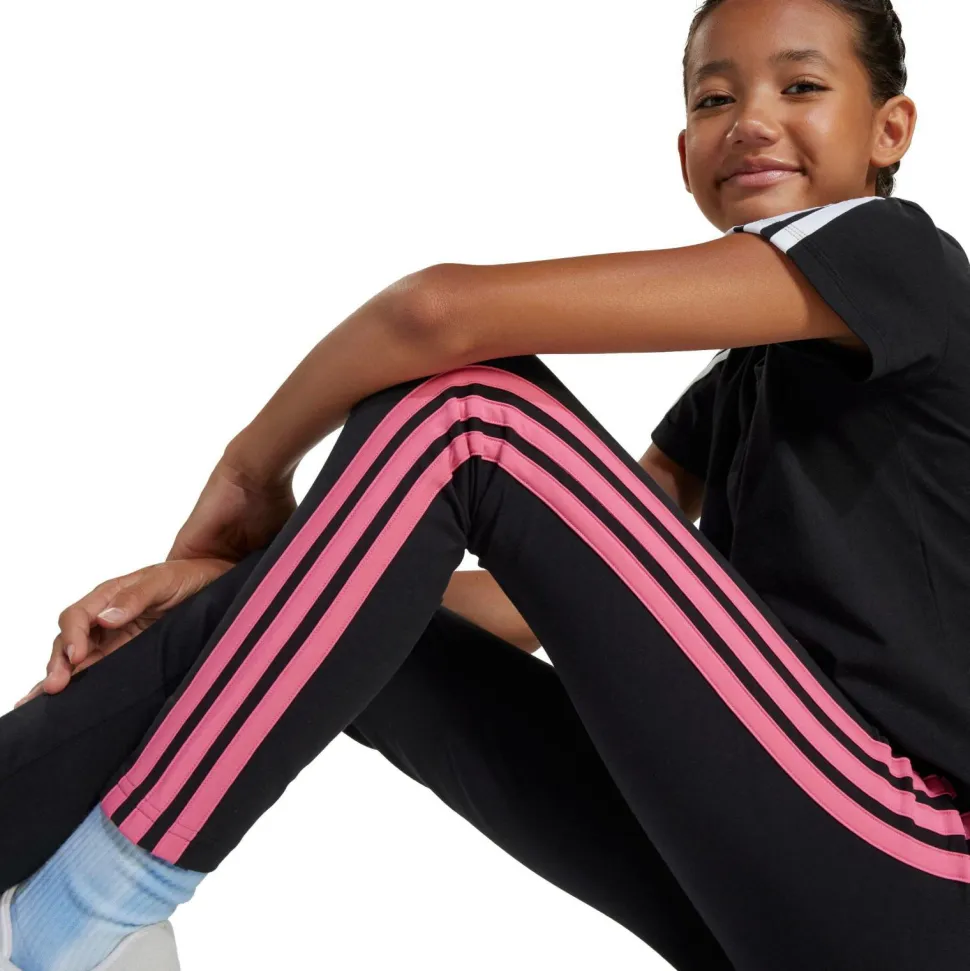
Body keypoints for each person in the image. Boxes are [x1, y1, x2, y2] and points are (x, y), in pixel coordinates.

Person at [2, 0, 969, 968]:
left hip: (917, 870)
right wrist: (241, 590)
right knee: (345, 611)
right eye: (716, 99)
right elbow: (524, 599)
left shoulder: (895, 253)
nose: (752, 120)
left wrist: (249, 473)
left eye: (800, 85)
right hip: (787, 882)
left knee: (468, 413)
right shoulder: (744, 385)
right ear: (683, 155)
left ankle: (84, 914)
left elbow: (436, 314)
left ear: (890, 129)